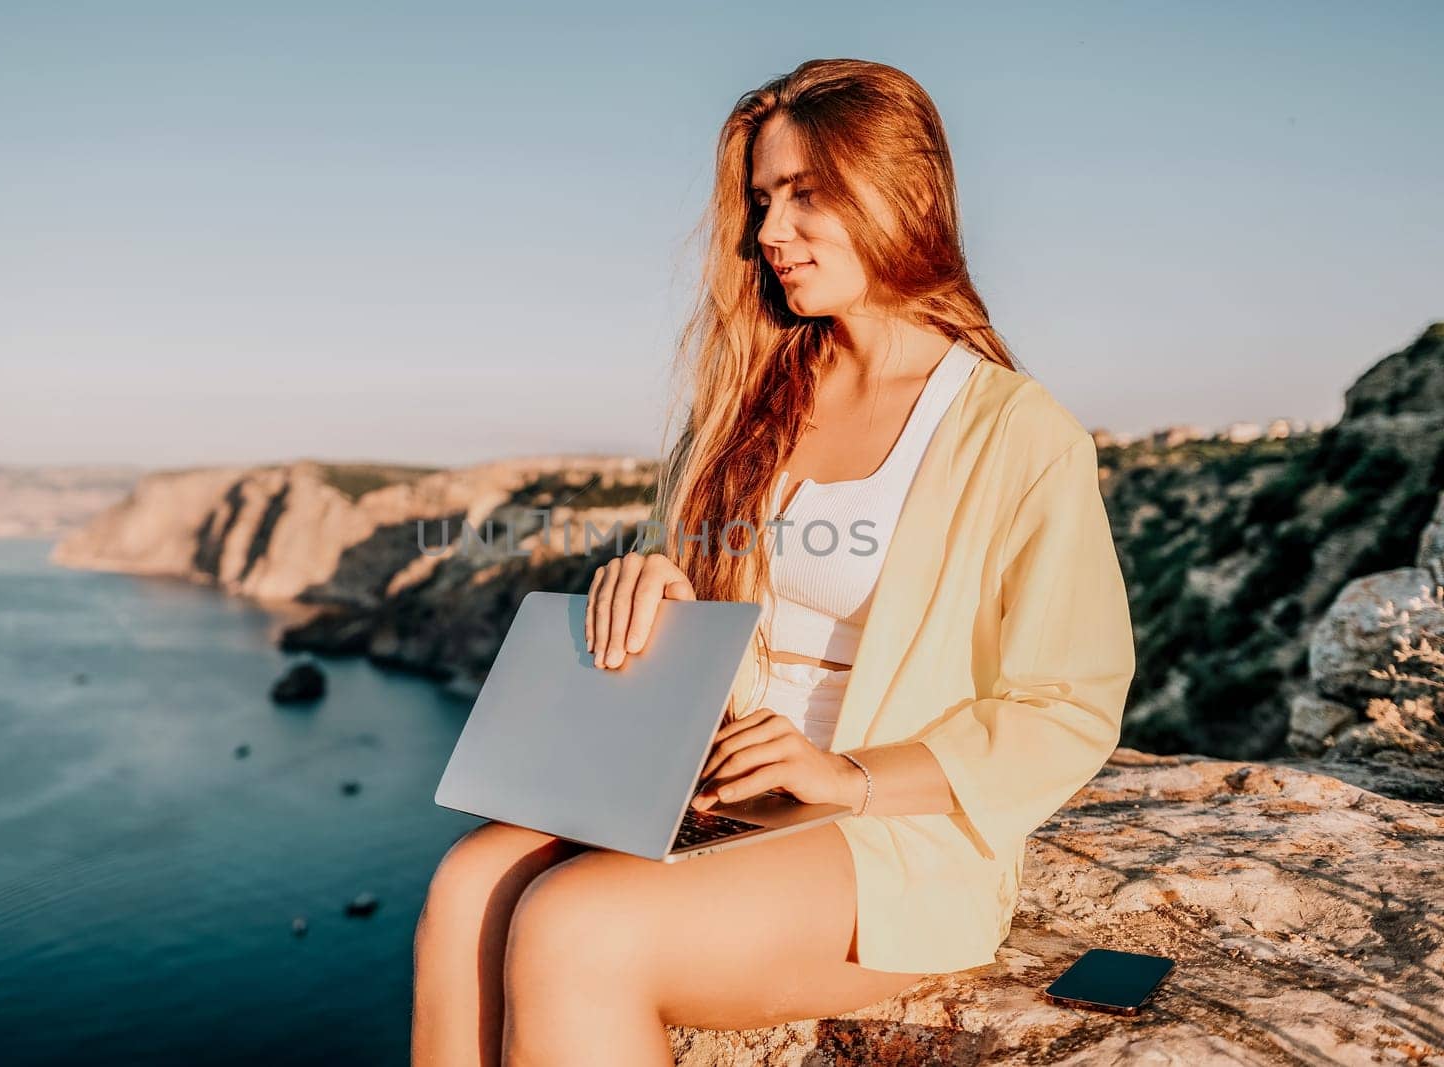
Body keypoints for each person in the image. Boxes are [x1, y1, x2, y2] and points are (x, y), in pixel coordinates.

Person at [412, 57, 1136, 1067]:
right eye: (761, 199)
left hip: (883, 834)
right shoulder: (748, 397)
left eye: (804, 194)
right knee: (464, 889)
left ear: (905, 192)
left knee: (576, 924)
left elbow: (1067, 701)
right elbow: (690, 570)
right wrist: (653, 579)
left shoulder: (1015, 431)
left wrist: (844, 777)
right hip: (696, 789)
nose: (767, 233)